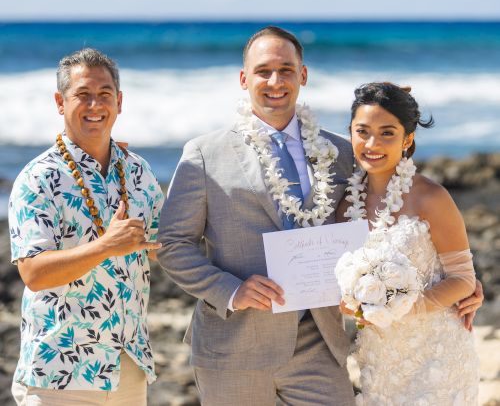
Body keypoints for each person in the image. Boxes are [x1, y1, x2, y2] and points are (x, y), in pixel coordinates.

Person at [157, 26, 357, 405]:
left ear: (303, 75)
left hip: (320, 345)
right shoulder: (204, 154)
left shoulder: (341, 151)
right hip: (235, 348)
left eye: (285, 69)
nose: (275, 81)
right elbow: (172, 245)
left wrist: (450, 273)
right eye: (263, 70)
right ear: (244, 79)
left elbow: (377, 218)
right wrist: (231, 290)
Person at [8, 48, 163, 405]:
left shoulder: (138, 171)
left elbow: (161, 246)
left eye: (104, 94)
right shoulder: (38, 178)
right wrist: (106, 246)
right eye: (83, 95)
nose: (95, 105)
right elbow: (34, 272)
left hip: (128, 366)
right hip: (60, 371)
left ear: (119, 101)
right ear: (60, 102)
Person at [336, 82, 480, 405]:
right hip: (379, 360)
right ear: (351, 134)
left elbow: (463, 279)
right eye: (363, 131)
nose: (373, 143)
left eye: (387, 133)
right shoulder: (344, 207)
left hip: (438, 358)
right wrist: (350, 306)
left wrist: (403, 308)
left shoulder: (431, 197)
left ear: (408, 139)